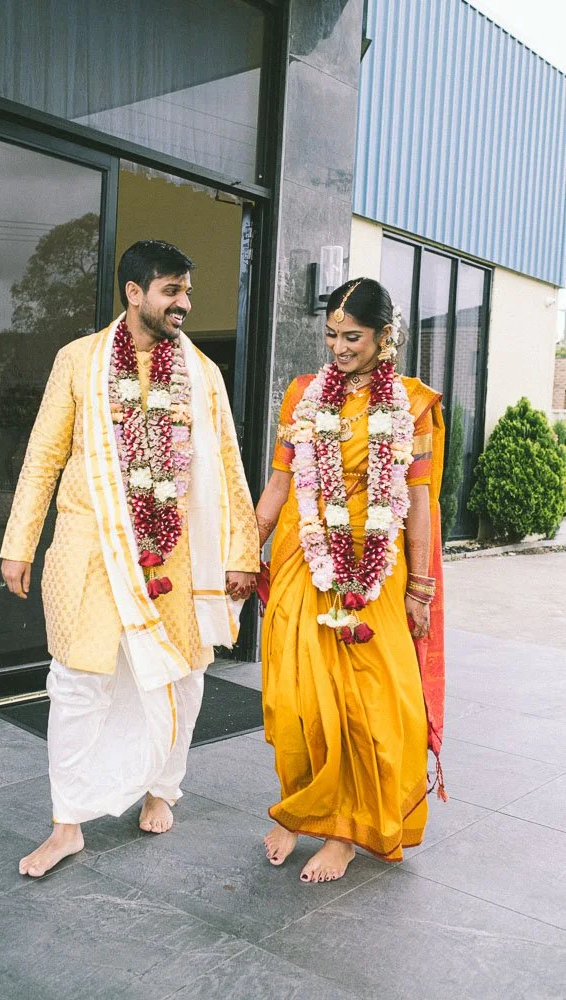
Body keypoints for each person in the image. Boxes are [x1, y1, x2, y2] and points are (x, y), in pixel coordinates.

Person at [0, 240, 259, 877]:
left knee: (181, 674)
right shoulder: (79, 361)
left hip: (174, 551)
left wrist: (242, 552)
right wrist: (18, 543)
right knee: (78, 680)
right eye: (172, 291)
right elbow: (43, 457)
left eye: (187, 292)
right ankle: (67, 824)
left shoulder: (202, 374)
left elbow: (228, 467)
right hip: (89, 546)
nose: (184, 305)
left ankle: (161, 787)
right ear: (134, 293)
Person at [256, 278, 446, 883]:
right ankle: (301, 808)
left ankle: (342, 829)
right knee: (297, 701)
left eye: (353, 337)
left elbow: (418, 501)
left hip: (376, 568)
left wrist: (420, 587)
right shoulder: (302, 395)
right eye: (331, 335)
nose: (338, 347)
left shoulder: (410, 404)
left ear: (384, 336)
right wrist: (243, 551)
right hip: (304, 560)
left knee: (370, 702)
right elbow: (281, 485)